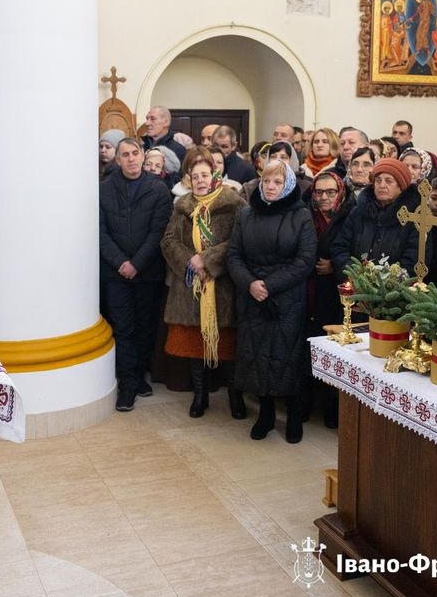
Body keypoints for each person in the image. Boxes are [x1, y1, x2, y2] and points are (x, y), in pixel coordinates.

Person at [228, 160, 316, 442]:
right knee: (256, 356)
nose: (270, 187)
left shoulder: (301, 215)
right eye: (266, 181)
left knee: (287, 357)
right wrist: (250, 283)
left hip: (287, 298)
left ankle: (293, 415)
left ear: (288, 185)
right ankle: (265, 414)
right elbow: (234, 255)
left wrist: (270, 285)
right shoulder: (245, 214)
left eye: (277, 182)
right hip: (252, 296)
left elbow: (305, 260)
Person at [161, 151, 246, 419]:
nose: (200, 180)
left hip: (224, 287)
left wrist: (208, 261)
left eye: (205, 175)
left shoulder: (234, 204)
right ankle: (200, 395)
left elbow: (239, 240)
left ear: (214, 176)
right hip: (191, 285)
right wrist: (191, 262)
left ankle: (235, 397)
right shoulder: (182, 206)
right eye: (194, 176)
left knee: (228, 346)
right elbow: (168, 241)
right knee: (195, 345)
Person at [100, 138, 175, 411]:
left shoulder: (159, 189)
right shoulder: (103, 189)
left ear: (143, 156)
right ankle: (128, 383)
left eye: (135, 153)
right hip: (115, 272)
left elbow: (159, 232)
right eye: (125, 155)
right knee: (123, 327)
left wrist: (136, 264)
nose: (131, 159)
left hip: (148, 271)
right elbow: (100, 231)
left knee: (145, 326)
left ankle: (140, 373)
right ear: (117, 160)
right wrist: (121, 262)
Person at [305, 170, 352, 428]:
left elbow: (352, 248)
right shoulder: (306, 215)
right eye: (319, 192)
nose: (324, 197)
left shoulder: (349, 215)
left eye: (330, 192)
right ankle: (309, 402)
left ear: (340, 193)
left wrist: (335, 266)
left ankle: (332, 407)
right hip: (309, 288)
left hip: (336, 292)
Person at [330, 157, 424, 275]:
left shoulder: (413, 218)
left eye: (389, 181)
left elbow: (412, 260)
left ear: (401, 186)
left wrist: (386, 282)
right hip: (356, 281)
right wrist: (356, 275)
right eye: (378, 180)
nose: (382, 185)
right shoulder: (358, 213)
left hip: (395, 285)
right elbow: (340, 248)